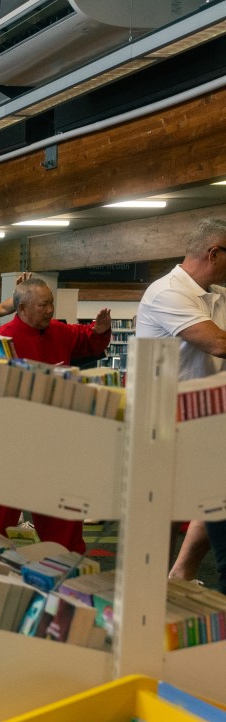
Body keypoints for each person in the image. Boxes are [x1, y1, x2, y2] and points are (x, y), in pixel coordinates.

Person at [0, 278, 112, 554]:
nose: (50, 310)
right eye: (43, 305)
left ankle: (67, 568)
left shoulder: (59, 331)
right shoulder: (0, 340)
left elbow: (88, 341)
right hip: (12, 445)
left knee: (63, 521)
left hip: (56, 443)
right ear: (22, 309)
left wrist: (99, 331)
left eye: (51, 303)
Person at [136, 217, 226, 588]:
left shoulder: (216, 294)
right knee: (163, 515)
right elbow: (219, 343)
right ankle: (151, 585)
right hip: (164, 419)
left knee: (216, 498)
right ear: (215, 253)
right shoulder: (167, 291)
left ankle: (180, 573)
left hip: (205, 418)